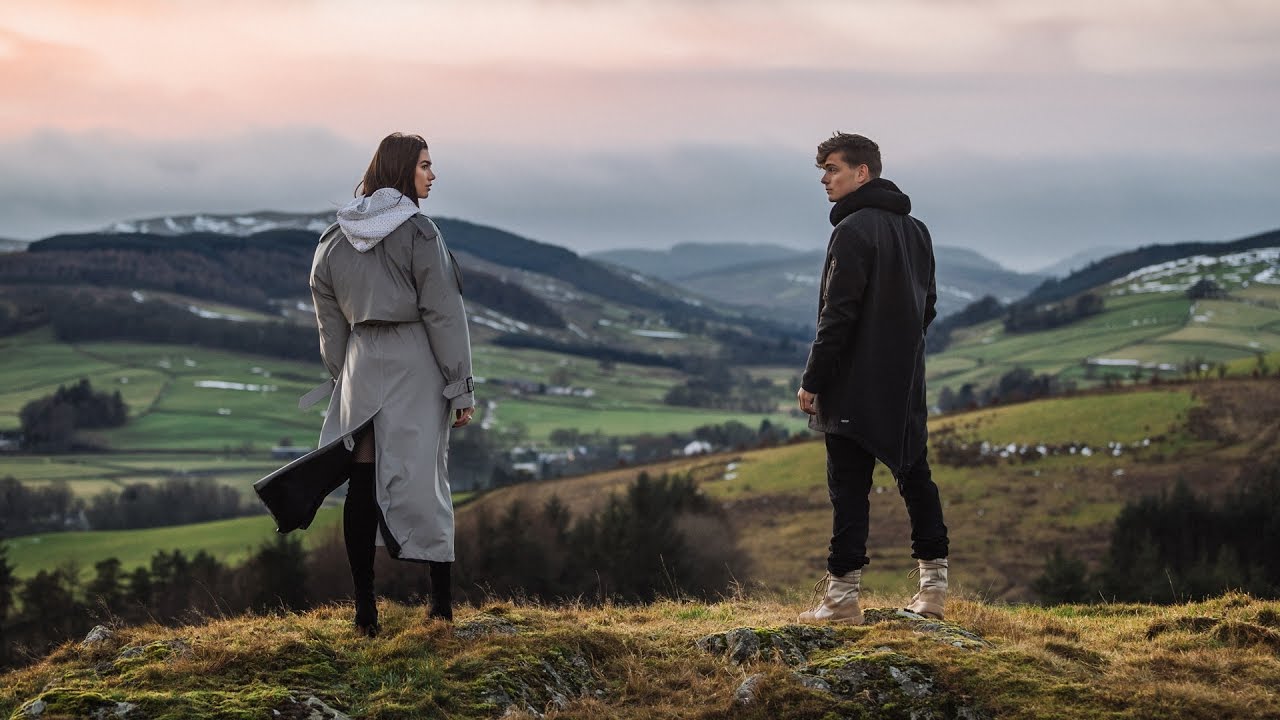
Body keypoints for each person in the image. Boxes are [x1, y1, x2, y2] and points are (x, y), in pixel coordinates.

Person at [255, 132, 474, 636]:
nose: (432, 175)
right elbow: (444, 315)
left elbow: (329, 327)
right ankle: (440, 609)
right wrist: (460, 388)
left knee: (361, 481)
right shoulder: (420, 234)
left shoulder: (332, 240)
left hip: (360, 363)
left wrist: (342, 375)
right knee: (425, 479)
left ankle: (365, 611)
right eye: (424, 166)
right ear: (402, 171)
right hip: (414, 363)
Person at [795, 132, 949, 625]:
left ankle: (842, 601)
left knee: (848, 489)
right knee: (915, 477)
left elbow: (836, 316)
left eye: (834, 169)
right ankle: (933, 592)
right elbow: (928, 307)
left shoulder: (853, 230)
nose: (825, 179)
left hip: (852, 386)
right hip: (904, 383)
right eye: (823, 171)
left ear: (863, 173)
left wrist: (813, 379)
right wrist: (899, 350)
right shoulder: (917, 230)